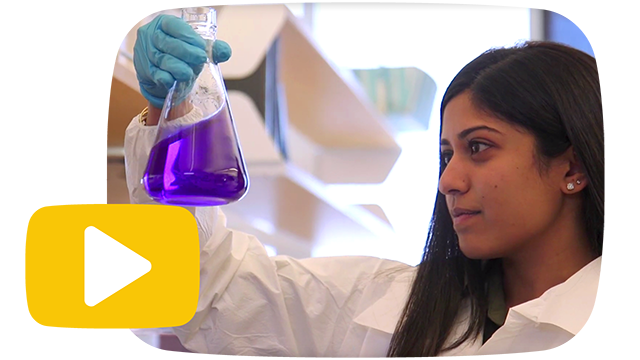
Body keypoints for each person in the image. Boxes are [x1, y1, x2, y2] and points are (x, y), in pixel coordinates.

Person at [124, 14, 604, 358]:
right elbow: (211, 288)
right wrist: (176, 112)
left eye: (478, 148)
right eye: (445, 155)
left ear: (572, 169)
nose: (449, 181)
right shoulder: (392, 306)